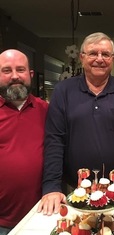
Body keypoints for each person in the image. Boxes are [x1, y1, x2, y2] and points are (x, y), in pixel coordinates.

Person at [37, 32, 114, 217]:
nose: (99, 59)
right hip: (72, 185)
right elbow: (54, 141)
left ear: (113, 59)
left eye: (105, 54)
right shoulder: (63, 91)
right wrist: (51, 187)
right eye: (93, 53)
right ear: (82, 57)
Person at [0, 49, 48, 235]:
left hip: (42, 214)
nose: (14, 76)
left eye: (20, 70)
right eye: (6, 70)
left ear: (30, 75)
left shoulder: (46, 111)